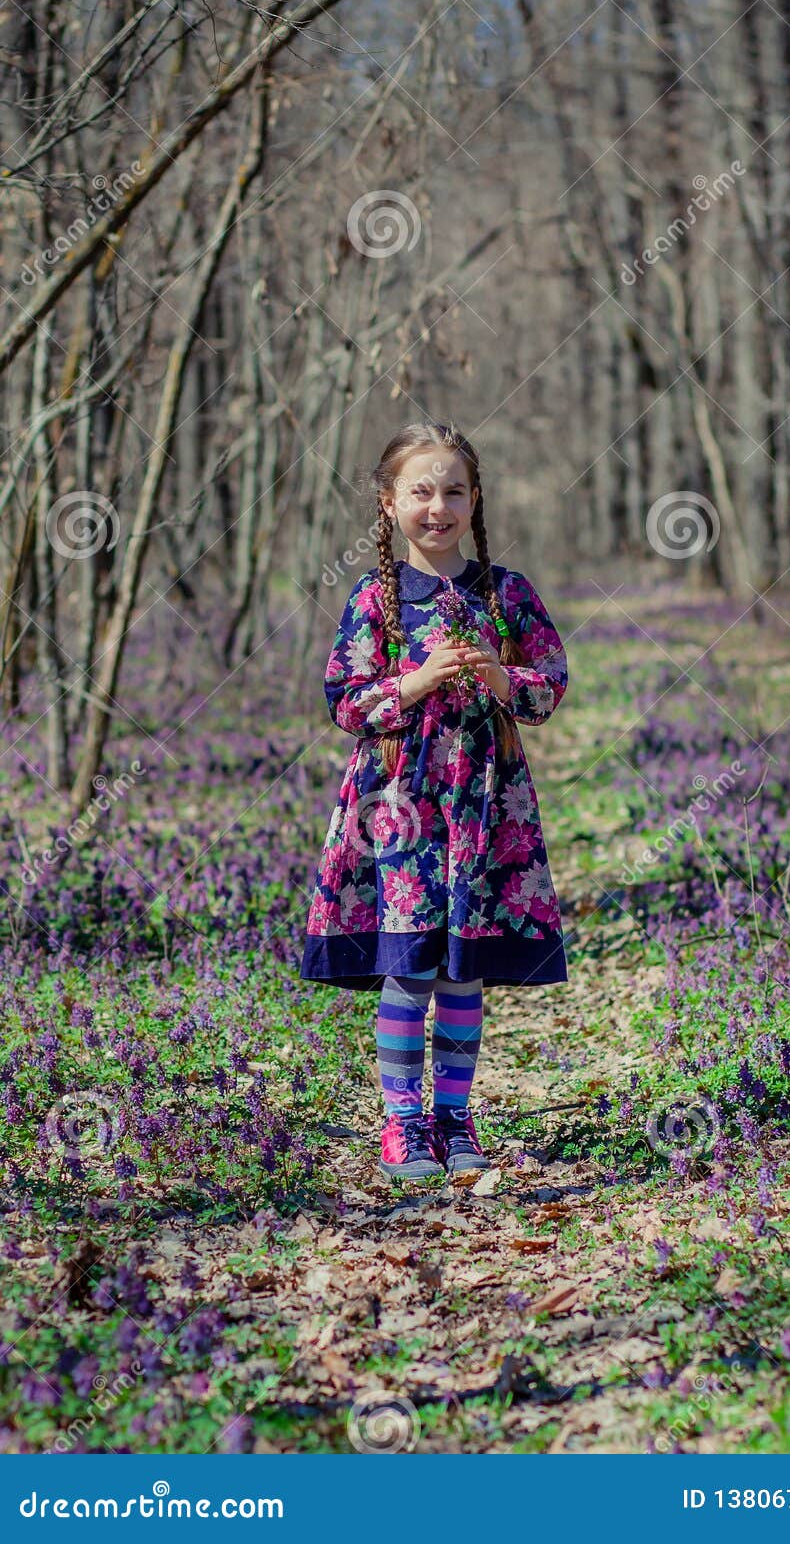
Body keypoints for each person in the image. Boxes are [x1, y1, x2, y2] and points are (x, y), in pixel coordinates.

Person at [300, 421, 570, 1182]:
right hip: (398, 804)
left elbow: (548, 686)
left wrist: (496, 678)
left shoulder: (504, 591)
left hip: (485, 800)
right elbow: (346, 705)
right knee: (409, 964)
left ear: (474, 499)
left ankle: (453, 1117)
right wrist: (414, 682)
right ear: (388, 504)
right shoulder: (375, 599)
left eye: (453, 490)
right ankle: (402, 1121)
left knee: (462, 968)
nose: (438, 506)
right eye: (421, 491)